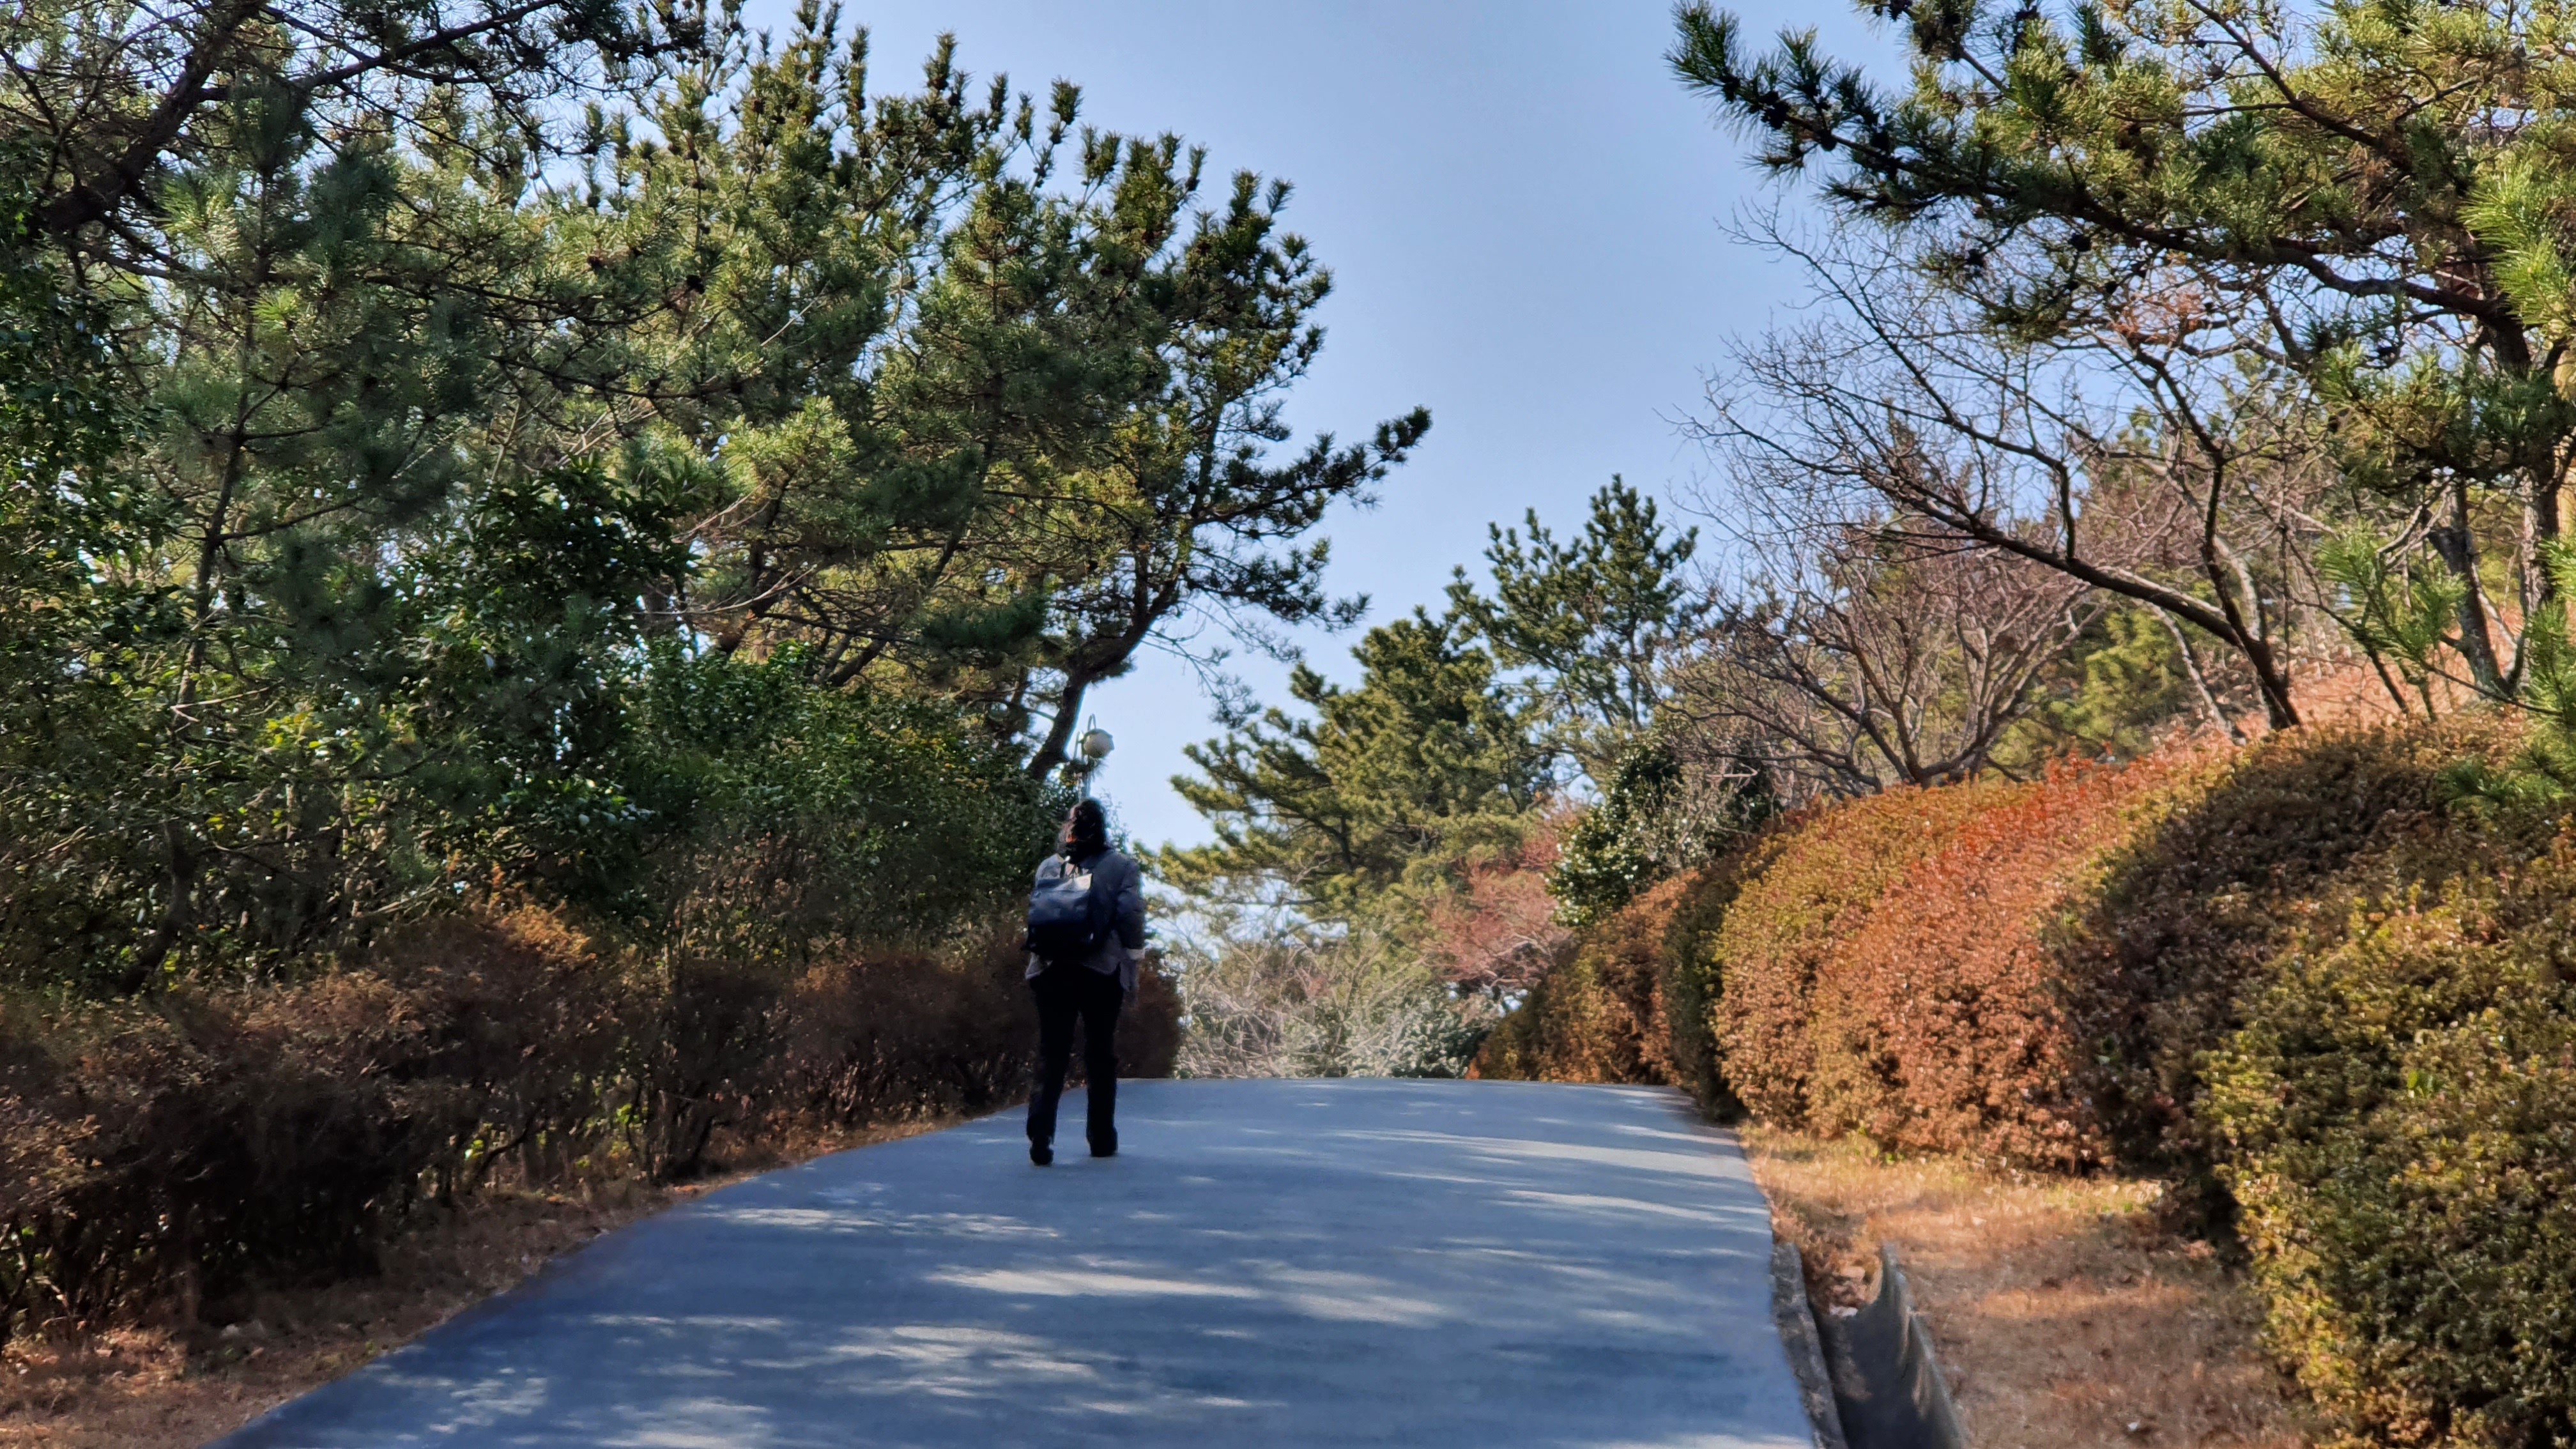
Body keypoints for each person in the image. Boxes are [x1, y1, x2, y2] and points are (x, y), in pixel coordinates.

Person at [1024, 799, 1144, 1165]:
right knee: (1099, 1053)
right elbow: (1129, 914)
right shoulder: (1122, 866)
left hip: (1050, 968)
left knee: (1052, 1052)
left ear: (1069, 827)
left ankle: (1041, 1137)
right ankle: (1101, 1138)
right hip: (1100, 969)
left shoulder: (1049, 865)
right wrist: (1135, 956)